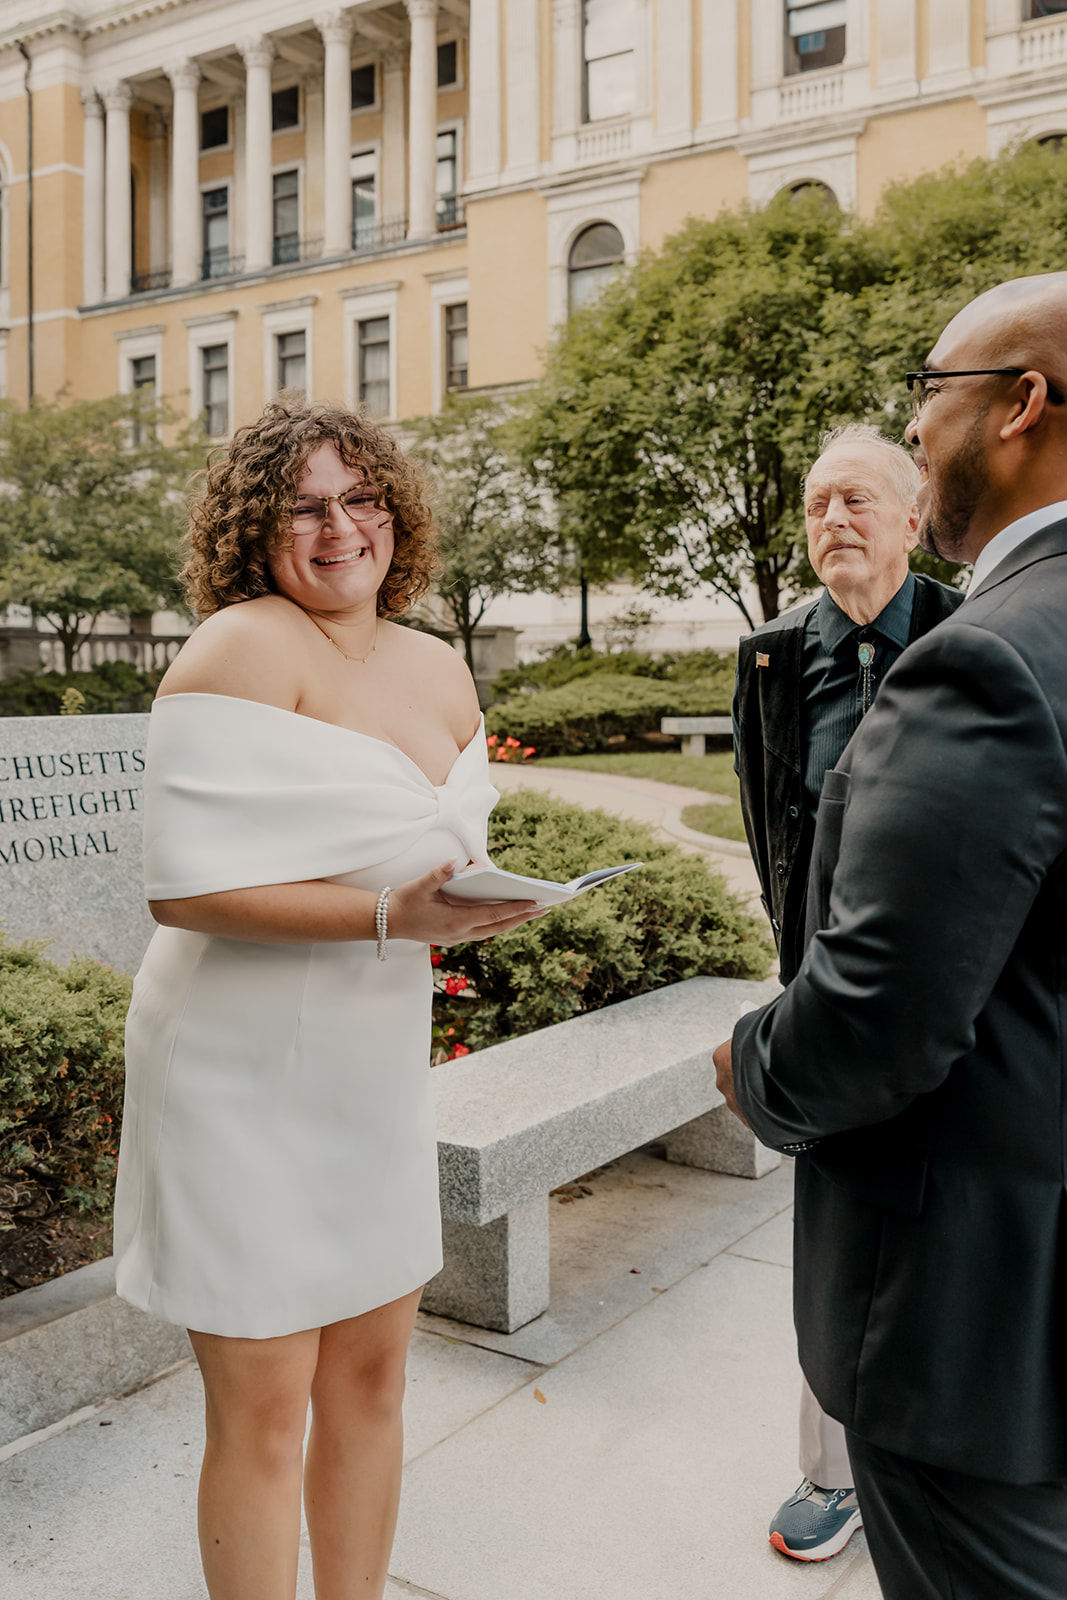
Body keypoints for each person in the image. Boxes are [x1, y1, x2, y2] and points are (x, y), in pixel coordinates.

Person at [113, 397, 542, 1600]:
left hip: (369, 1065)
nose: (337, 526)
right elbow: (180, 888)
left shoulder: (439, 661)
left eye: (358, 497)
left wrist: (478, 905)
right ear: (257, 526)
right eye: (303, 504)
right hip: (237, 1070)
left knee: (372, 1379)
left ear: (393, 512)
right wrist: (386, 920)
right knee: (262, 1408)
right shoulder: (240, 647)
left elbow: (428, 859)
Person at [714, 271, 1067, 1599]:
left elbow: (882, 1014)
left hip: (967, 1300)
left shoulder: (978, 652)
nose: (917, 427)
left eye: (931, 395)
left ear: (1018, 406)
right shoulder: (767, 657)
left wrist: (752, 1067)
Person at [733, 423, 961, 1563]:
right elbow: (762, 820)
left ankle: (941, 1449)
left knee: (952, 1232)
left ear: (913, 522)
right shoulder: (773, 654)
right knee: (832, 1239)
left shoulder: (975, 637)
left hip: (960, 996)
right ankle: (831, 1474)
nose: (832, 521)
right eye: (818, 502)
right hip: (824, 993)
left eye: (858, 502)